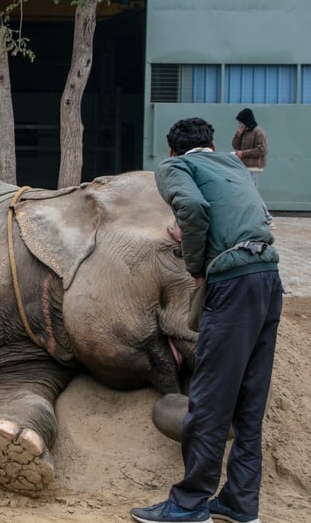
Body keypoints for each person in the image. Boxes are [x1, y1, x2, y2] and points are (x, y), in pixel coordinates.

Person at [129, 117, 281, 523]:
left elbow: (193, 206)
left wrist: (196, 264)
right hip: (268, 278)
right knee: (250, 402)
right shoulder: (233, 165)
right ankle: (239, 503)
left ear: (174, 149)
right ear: (212, 144)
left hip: (231, 284)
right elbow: (257, 216)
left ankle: (189, 504)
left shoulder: (175, 167)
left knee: (211, 399)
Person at [232, 107, 274, 224]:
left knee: (252, 193)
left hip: (254, 167)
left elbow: (261, 150)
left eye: (241, 122)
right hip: (244, 166)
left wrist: (243, 153)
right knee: (248, 192)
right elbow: (235, 145)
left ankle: (267, 217)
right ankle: (254, 217)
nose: (240, 124)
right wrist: (238, 134)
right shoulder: (244, 132)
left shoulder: (258, 132)